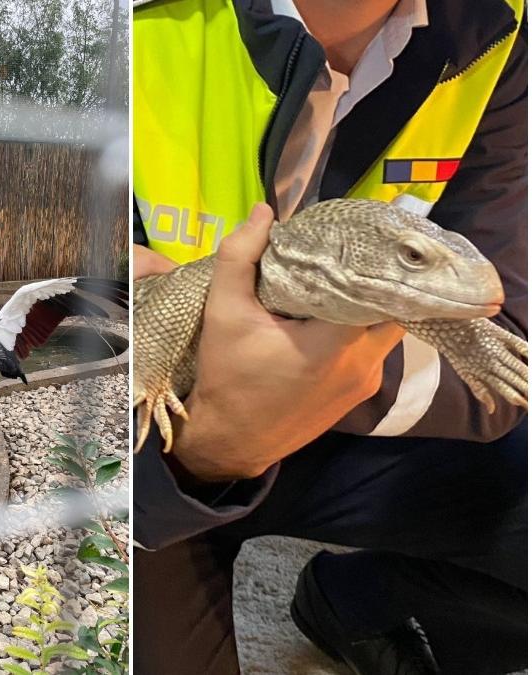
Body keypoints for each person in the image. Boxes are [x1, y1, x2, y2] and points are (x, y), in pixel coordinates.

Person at [132, 0, 528, 673]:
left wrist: (302, 382)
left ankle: (354, 601)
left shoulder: (499, 30)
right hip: (165, 439)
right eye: (408, 261)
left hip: (351, 436)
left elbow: (500, 338)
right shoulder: (140, 24)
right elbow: (129, 314)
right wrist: (195, 427)